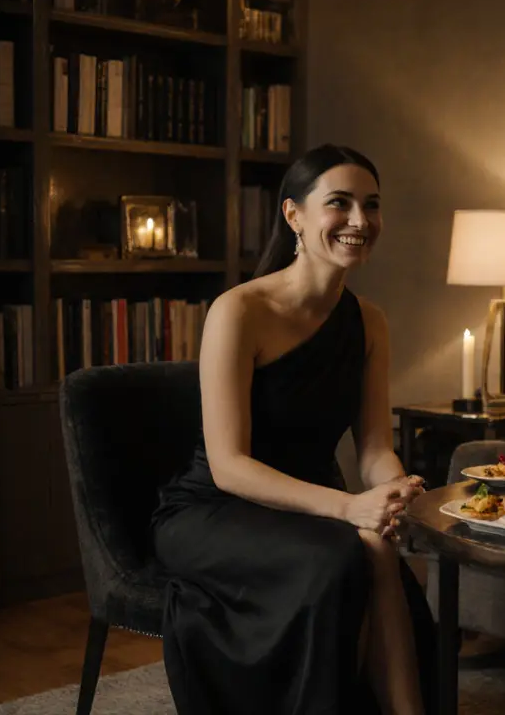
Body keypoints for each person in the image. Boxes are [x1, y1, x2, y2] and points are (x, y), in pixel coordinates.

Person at [151, 144, 436, 715]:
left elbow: (376, 445)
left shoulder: (369, 322)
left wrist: (394, 492)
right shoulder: (239, 310)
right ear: (294, 216)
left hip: (310, 506)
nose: (360, 221)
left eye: (372, 205)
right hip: (215, 508)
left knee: (376, 550)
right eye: (340, 203)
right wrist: (349, 508)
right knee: (346, 559)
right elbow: (229, 466)